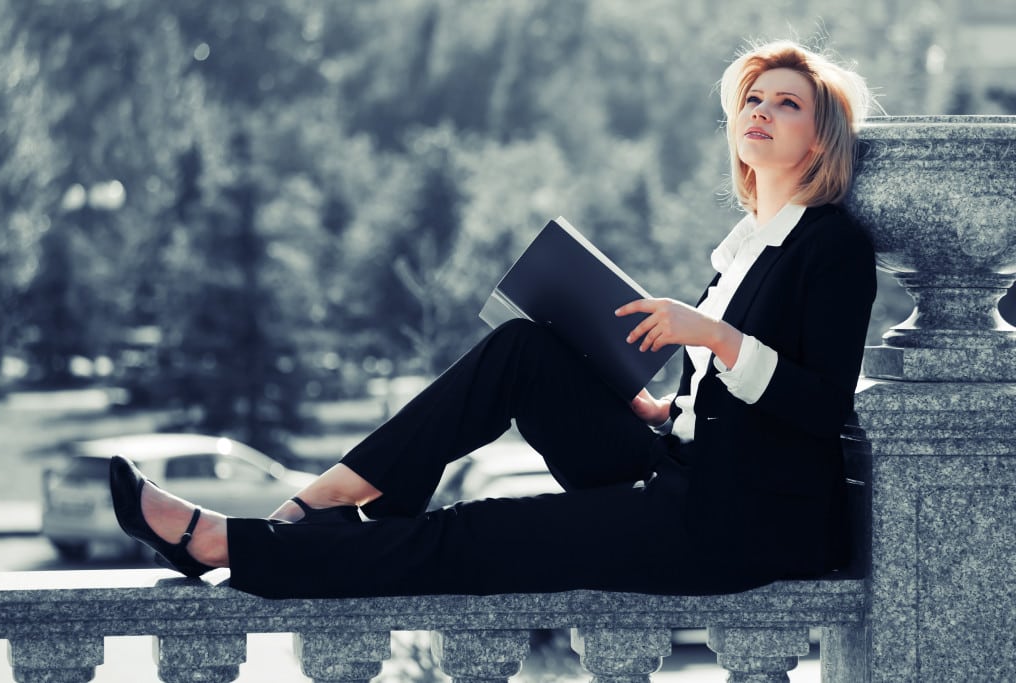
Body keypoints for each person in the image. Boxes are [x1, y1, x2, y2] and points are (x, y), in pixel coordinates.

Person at [111, 39, 876, 599]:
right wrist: (661, 403)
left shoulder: (832, 246)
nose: (762, 111)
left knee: (472, 532)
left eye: (787, 103)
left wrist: (711, 334)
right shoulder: (741, 249)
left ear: (821, 137)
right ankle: (335, 494)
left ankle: (234, 543)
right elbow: (718, 402)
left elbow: (820, 405)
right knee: (522, 349)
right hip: (678, 470)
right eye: (753, 98)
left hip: (731, 522)